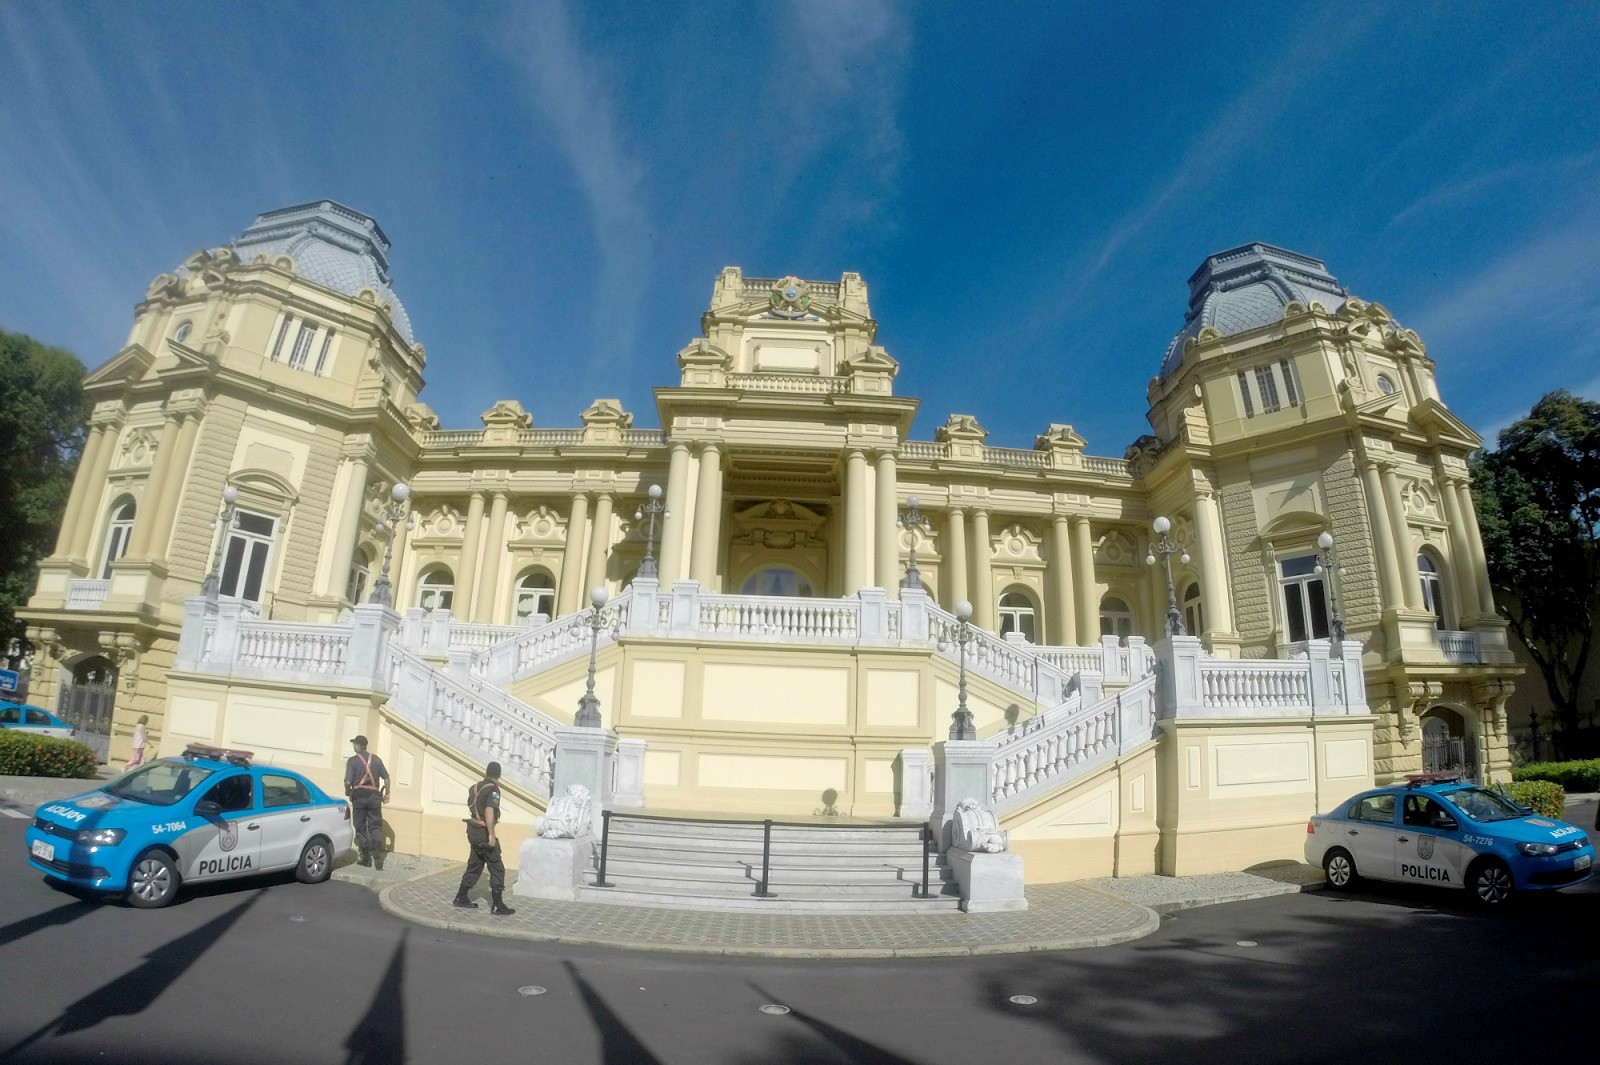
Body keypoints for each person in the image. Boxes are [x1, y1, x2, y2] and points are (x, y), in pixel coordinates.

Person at [452, 761, 515, 915]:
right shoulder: (493, 790)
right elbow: (489, 810)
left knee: (475, 864)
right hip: (483, 832)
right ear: (499, 775)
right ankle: (497, 905)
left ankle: (461, 896)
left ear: (486, 772)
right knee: (496, 867)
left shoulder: (474, 788)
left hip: (472, 830)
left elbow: (472, 807)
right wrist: (491, 834)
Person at [343, 735, 390, 869]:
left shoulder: (352, 761)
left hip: (359, 796)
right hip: (374, 797)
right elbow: (386, 778)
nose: (354, 746)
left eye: (354, 744)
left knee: (360, 826)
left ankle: (366, 858)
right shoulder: (376, 759)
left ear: (358, 745)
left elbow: (348, 781)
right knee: (375, 825)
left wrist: (347, 791)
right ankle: (377, 855)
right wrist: (388, 793)